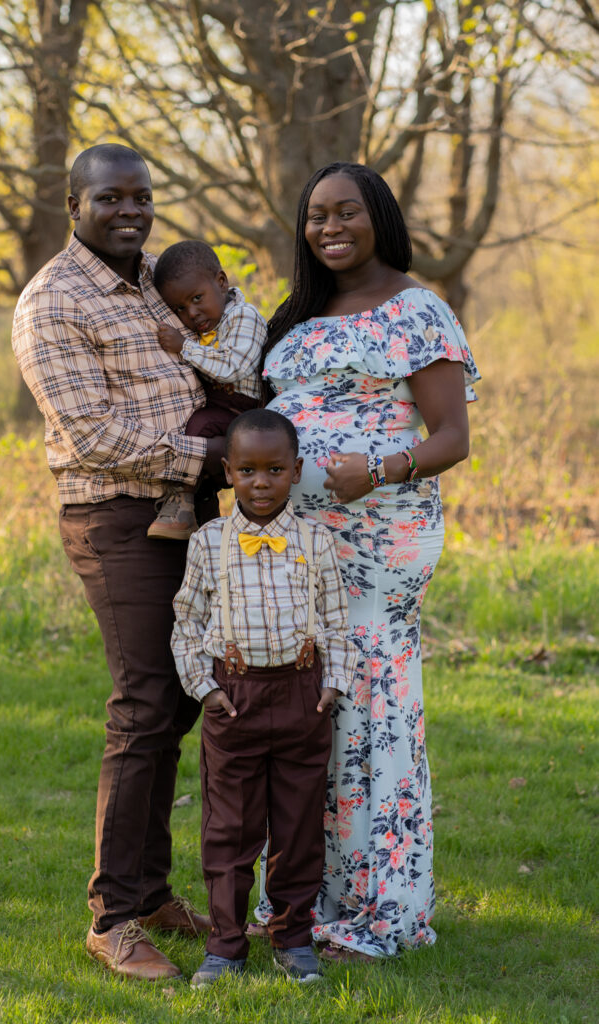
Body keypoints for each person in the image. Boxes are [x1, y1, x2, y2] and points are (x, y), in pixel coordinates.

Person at [254, 162, 480, 961]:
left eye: (345, 211)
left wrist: (378, 470)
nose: (329, 228)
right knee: (302, 715)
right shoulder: (297, 315)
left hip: (380, 539)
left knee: (369, 715)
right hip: (298, 550)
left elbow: (451, 436)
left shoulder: (415, 310)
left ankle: (378, 912)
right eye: (314, 216)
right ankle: (297, 902)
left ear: (378, 215)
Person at [12, 143, 224, 981]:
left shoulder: (152, 281)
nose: (130, 211)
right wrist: (215, 457)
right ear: (75, 204)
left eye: (141, 196)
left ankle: (151, 891)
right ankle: (111, 917)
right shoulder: (52, 301)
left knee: (176, 702)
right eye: (110, 199)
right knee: (143, 701)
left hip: (191, 510)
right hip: (115, 516)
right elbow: (94, 435)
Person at [170, 409, 358, 987]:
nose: (260, 482)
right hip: (236, 699)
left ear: (295, 471)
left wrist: (333, 685)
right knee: (230, 828)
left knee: (299, 827)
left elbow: (337, 621)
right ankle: (226, 945)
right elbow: (186, 621)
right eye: (247, 470)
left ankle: (293, 937)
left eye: (275, 469)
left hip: (303, 698)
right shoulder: (209, 543)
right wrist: (205, 690)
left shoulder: (317, 541)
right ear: (228, 472)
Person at [148, 240, 265, 540]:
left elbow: (233, 366)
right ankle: (197, 505)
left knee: (201, 428)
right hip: (219, 404)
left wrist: (184, 346)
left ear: (222, 282)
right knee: (195, 427)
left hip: (243, 407)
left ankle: (182, 501)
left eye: (197, 298)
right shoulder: (205, 326)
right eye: (181, 308)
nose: (193, 313)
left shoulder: (244, 317)